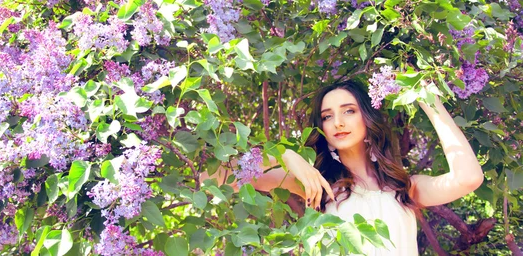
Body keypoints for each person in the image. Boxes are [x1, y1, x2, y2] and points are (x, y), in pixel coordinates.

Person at [203, 80, 484, 255]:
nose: (338, 122)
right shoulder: (316, 184)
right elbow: (215, 176)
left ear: (367, 117)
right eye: (328, 116)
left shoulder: (405, 188)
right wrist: (287, 156)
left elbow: (468, 178)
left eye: (349, 111)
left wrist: (427, 99)